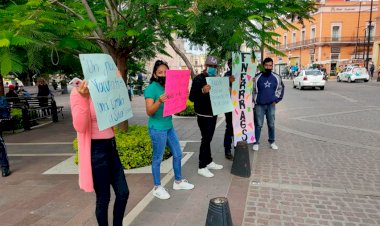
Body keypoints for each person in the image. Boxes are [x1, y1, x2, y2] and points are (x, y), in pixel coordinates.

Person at [70, 80, 129, 226]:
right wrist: (84, 97)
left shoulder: (104, 90)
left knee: (123, 193)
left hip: (111, 147)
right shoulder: (77, 92)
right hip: (96, 151)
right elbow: (80, 126)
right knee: (104, 198)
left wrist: (117, 88)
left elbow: (115, 115)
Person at [144, 60, 194, 200]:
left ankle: (178, 181)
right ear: (154, 74)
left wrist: (183, 95)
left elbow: (177, 104)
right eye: (160, 72)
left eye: (166, 72)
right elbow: (149, 111)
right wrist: (159, 101)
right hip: (157, 128)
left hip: (169, 126)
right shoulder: (151, 89)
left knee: (178, 153)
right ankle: (157, 187)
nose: (163, 75)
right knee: (157, 158)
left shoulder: (170, 86)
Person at [189, 56, 224, 178]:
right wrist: (202, 91)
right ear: (205, 65)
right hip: (203, 114)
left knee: (208, 138)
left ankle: (208, 161)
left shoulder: (215, 79)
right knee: (206, 139)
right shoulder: (199, 79)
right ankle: (202, 166)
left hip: (213, 113)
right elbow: (192, 97)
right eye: (211, 66)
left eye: (215, 67)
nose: (213, 68)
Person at [252, 57, 285, 151]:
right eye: (266, 65)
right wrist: (254, 101)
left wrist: (276, 99)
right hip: (259, 105)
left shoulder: (276, 77)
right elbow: (252, 90)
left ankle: (272, 141)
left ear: (272, 66)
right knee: (258, 124)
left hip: (271, 105)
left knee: (271, 124)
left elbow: (281, 88)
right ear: (263, 66)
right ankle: (256, 142)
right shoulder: (257, 77)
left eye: (270, 65)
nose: (268, 67)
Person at [223, 59, 235, 160]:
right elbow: (223, 89)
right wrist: (228, 82)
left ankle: (237, 147)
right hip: (229, 106)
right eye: (231, 64)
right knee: (230, 128)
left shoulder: (242, 74)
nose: (232, 66)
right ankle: (227, 150)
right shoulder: (227, 75)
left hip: (240, 106)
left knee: (238, 128)